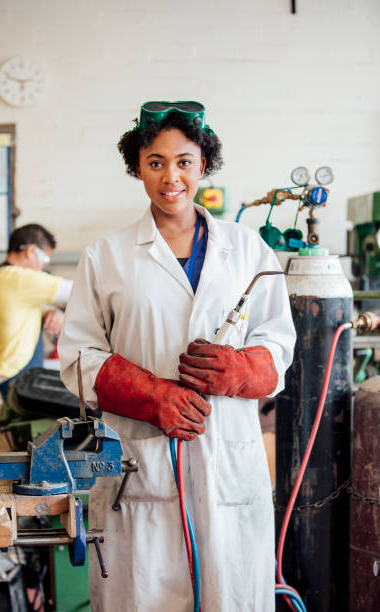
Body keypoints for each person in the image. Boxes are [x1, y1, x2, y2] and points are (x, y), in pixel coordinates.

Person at [58, 101, 296, 611]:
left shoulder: (248, 248)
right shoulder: (108, 254)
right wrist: (152, 395)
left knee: (230, 595)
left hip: (228, 462)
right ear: (138, 167)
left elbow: (279, 341)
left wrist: (243, 370)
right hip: (138, 469)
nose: (172, 177)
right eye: (156, 161)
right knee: (142, 594)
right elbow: (77, 353)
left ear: (202, 166)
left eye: (184, 161)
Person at [0, 223, 72, 452]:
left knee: (9, 463)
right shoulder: (18, 278)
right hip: (6, 384)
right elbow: (79, 290)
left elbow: (23, 311)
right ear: (31, 251)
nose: (42, 268)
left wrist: (53, 313)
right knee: (7, 470)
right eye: (45, 261)